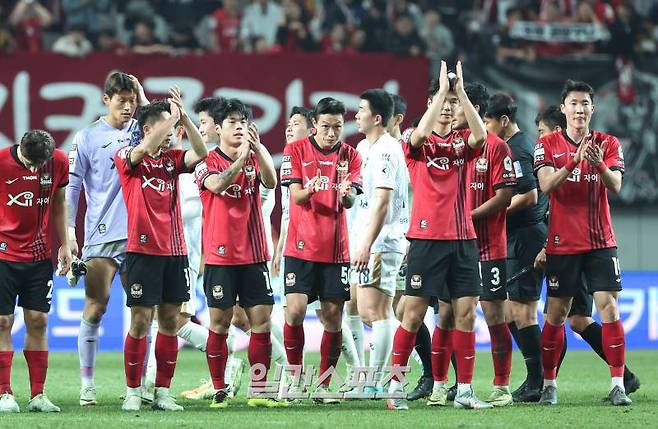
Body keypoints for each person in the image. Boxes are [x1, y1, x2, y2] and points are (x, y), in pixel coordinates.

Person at [387, 61, 490, 411]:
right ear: (430, 102)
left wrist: (459, 90)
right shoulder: (414, 140)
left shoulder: (464, 141)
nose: (447, 107)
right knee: (413, 314)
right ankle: (395, 388)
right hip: (427, 239)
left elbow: (482, 137)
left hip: (463, 240)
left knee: (466, 315)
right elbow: (417, 137)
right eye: (441, 101)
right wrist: (442, 97)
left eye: (452, 103)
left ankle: (463, 390)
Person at [534, 81, 633, 406]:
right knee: (557, 315)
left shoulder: (608, 142)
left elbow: (616, 185)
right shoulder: (547, 144)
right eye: (573, 103)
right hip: (562, 244)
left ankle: (618, 384)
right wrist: (573, 162)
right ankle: (550, 384)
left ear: (593, 108)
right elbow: (546, 185)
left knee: (610, 306)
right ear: (563, 108)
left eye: (585, 104)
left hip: (601, 241)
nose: (579, 109)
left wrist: (598, 164)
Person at [115, 91, 208, 412]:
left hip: (176, 252)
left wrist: (183, 118)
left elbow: (202, 151)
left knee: (170, 322)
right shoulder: (128, 156)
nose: (170, 136)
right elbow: (143, 148)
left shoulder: (173, 160)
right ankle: (132, 390)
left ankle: (163, 392)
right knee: (140, 321)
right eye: (164, 130)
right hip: (141, 251)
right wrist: (170, 118)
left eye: (172, 132)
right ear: (147, 129)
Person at [194, 98, 283, 409]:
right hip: (220, 255)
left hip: (255, 253)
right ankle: (219, 389)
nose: (240, 128)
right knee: (219, 322)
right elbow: (218, 185)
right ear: (219, 129)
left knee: (262, 322)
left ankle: (260, 391)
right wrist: (243, 157)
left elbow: (272, 181)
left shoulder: (255, 158)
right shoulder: (206, 161)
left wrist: (257, 151)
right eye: (233, 123)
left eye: (244, 123)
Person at [67, 71, 147, 406]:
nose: (128, 107)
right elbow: (71, 188)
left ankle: (138, 387)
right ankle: (87, 384)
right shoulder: (86, 137)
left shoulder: (142, 130)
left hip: (141, 234)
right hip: (101, 235)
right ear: (106, 99)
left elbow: (162, 121)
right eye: (122, 100)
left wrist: (142, 96)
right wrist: (69, 233)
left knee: (143, 312)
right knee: (96, 307)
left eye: (132, 101)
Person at [435, 83, 515, 407]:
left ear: (474, 110)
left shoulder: (496, 147)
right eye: (449, 104)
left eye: (457, 105)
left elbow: (506, 197)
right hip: (452, 245)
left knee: (494, 315)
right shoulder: (444, 146)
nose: (450, 111)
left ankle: (502, 386)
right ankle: (441, 385)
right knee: (445, 314)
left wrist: (469, 216)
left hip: (488, 247)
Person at [281, 97, 362, 403]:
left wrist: (345, 195)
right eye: (326, 126)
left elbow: (352, 198)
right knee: (296, 312)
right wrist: (312, 188)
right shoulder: (296, 150)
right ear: (314, 124)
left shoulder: (351, 156)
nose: (332, 133)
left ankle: (325, 385)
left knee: (333, 318)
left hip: (335, 250)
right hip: (300, 247)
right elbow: (297, 196)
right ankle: (296, 379)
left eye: (338, 127)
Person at [483, 93, 549, 402]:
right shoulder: (512, 146)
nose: (484, 127)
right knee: (510, 310)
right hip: (514, 237)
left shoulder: (519, 149)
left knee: (523, 312)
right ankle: (535, 376)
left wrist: (492, 211)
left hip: (527, 237)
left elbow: (529, 196)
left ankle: (538, 381)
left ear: (504, 120)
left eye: (487, 121)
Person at [0, 130, 71, 413]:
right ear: (21, 149)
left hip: (39, 256)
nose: (35, 169)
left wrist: (65, 243)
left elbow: (59, 202)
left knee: (39, 321)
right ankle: (4, 393)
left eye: (40, 164)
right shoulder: (1, 162)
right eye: (30, 162)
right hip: (3, 256)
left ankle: (38, 395)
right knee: (3, 322)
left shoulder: (59, 162)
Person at [350, 89, 408, 395]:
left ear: (376, 118)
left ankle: (378, 380)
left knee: (378, 311)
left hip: (381, 242)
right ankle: (376, 377)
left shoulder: (387, 149)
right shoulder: (364, 146)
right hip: (368, 239)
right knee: (365, 309)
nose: (356, 115)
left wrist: (366, 244)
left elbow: (383, 202)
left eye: (361, 110)